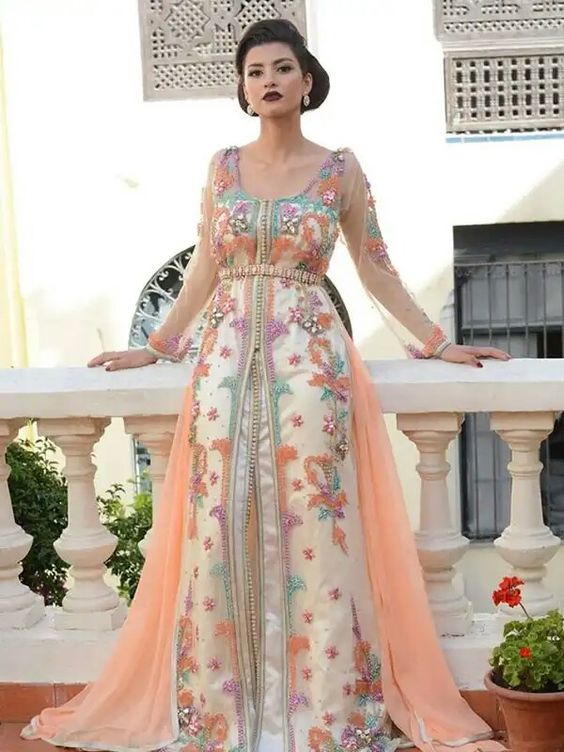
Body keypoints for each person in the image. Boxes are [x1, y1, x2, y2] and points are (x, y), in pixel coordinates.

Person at [21, 17, 510, 752]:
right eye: (255, 72)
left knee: (316, 527)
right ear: (244, 91)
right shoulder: (223, 168)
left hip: (313, 370)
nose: (269, 80)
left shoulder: (340, 171)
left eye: (282, 68)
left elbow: (375, 268)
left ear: (307, 82)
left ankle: (322, 706)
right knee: (222, 524)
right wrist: (155, 346)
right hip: (223, 369)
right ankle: (225, 706)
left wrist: (438, 343)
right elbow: (203, 269)